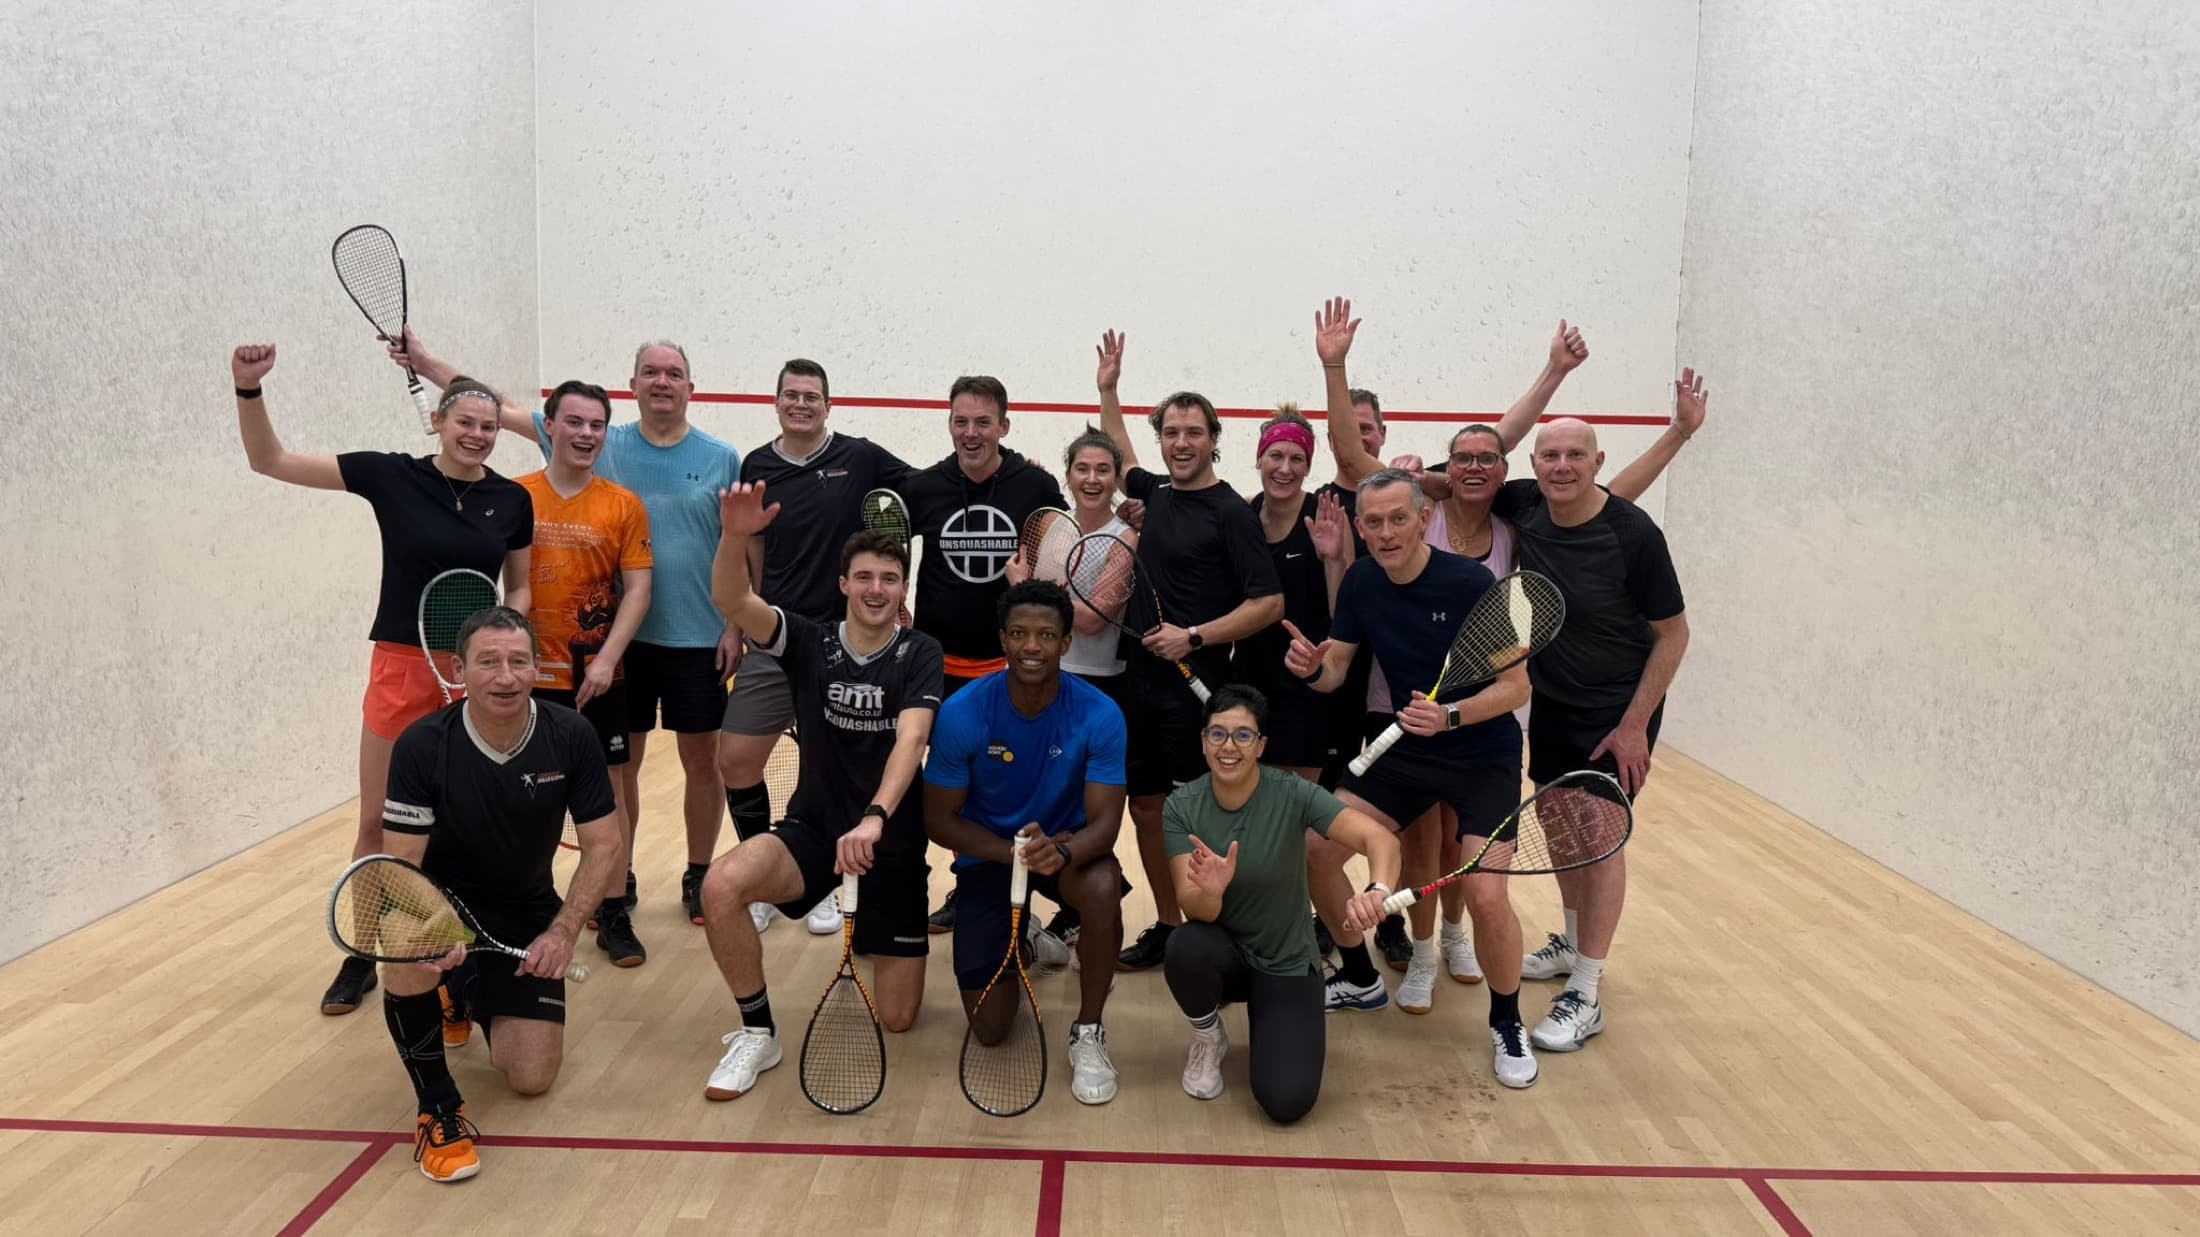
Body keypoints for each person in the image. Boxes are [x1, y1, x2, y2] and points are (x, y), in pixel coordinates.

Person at [392, 330, 740, 929]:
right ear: (632, 386)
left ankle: (700, 871)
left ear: (690, 385)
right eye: (650, 372)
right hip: (613, 648)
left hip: (695, 637)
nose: (662, 381)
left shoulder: (720, 455)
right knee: (619, 769)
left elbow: (738, 542)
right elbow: (489, 407)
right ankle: (617, 883)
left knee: (701, 761)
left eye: (673, 373)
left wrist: (736, 621)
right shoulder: (604, 440)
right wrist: (424, 362)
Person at [230, 343, 532, 1019]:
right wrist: (249, 390)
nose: (479, 432)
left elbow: (520, 585)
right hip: (399, 664)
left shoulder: (512, 500)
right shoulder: (391, 476)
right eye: (466, 421)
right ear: (440, 423)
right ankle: (362, 950)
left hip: (472, 671)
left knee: (462, 822)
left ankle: (456, 950)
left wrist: (512, 659)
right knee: (377, 818)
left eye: (488, 424)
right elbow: (269, 460)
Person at [1314, 300, 1588, 973]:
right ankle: (1425, 947)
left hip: (1479, 717)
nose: (1473, 466)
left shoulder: (1512, 522)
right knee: (1416, 836)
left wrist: (1554, 373)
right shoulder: (1414, 499)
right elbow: (1355, 455)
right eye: (1461, 457)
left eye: (1485, 459)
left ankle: (1469, 947)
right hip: (1401, 711)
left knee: (1469, 865)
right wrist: (1335, 364)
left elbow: (1511, 445)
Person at [1283, 470, 1539, 1089]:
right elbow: (1337, 670)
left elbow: (1516, 687)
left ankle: (1507, 1020)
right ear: (1360, 528)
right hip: (1406, 751)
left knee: (1484, 896)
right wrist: (1311, 669)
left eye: (1398, 518)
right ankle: (1360, 976)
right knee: (1315, 848)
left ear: (1424, 519)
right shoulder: (1365, 580)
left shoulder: (1473, 582)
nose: (1385, 532)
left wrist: (1450, 714)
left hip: (1483, 755)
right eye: (1373, 522)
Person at [697, 483, 942, 1099]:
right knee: (721, 885)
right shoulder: (807, 640)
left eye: (889, 577)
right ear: (844, 585)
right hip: (813, 830)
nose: (876, 588)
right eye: (864, 576)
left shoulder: (920, 652)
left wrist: (876, 818)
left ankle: (868, 925)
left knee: (899, 1017)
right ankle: (758, 1031)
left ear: (903, 589)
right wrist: (733, 536)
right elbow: (732, 595)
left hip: (890, 843)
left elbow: (911, 741)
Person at [376, 607, 620, 1182]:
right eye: (488, 662)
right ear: (460, 669)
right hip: (436, 905)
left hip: (525, 912)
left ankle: (461, 988)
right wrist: (442, 927)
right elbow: (397, 868)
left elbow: (604, 845)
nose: (504, 677)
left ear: (538, 667)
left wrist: (561, 932)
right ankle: (437, 1106)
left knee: (530, 1076)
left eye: (518, 661)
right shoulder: (422, 745)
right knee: (404, 943)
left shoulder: (571, 735)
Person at [1488, 396, 1695, 1054]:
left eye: (1577, 454)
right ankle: (1573, 940)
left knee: (1599, 836)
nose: (1562, 464)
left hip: (1618, 708)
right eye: (1550, 454)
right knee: (1558, 823)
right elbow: (1460, 470)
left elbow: (1674, 635)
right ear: (1534, 464)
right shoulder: (1524, 506)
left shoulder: (1635, 536)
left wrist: (1636, 726)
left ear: (1599, 462)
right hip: (1554, 699)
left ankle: (1587, 987)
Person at [1094, 330, 1285, 971]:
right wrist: (1108, 390)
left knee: (1199, 816)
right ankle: (1170, 926)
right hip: (1139, 685)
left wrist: (1194, 636)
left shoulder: (1231, 512)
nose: (1181, 443)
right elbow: (1122, 458)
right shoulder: (1154, 494)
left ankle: (1218, 928)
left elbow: (1268, 604)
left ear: (1212, 440)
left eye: (1193, 433)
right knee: (1147, 808)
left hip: (1195, 687)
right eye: (1171, 432)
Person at [723, 359, 916, 937]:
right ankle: (766, 871)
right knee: (734, 761)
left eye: (812, 396)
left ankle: (830, 880)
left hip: (846, 644)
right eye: (791, 395)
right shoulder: (757, 464)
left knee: (836, 773)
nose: (801, 403)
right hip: (776, 636)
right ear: (776, 401)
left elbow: (922, 491)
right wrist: (738, 622)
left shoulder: (859, 457)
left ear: (828, 405)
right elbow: (749, 549)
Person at [923, 581, 1130, 1104]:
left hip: (1067, 852)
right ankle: (1027, 938)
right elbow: (938, 820)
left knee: (1103, 887)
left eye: (1045, 635)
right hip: (992, 857)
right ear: (1002, 639)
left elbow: (1106, 826)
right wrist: (1010, 852)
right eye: (1018, 634)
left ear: (1065, 643)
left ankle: (1088, 1032)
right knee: (992, 1029)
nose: (1031, 646)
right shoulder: (964, 712)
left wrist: (1059, 851)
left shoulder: (1100, 714)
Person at [1162, 686, 1399, 1123]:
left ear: (1261, 745)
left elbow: (1378, 838)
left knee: (1286, 1101)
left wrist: (1379, 890)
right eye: (1217, 734)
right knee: (1183, 947)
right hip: (1222, 955)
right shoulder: (1181, 805)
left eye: (1243, 736)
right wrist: (1212, 889)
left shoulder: (1293, 793)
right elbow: (1194, 908)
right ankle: (1208, 1035)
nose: (1228, 747)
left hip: (1285, 962)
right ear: (1202, 740)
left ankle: (1275, 1019)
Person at [514, 380, 654, 966]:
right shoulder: (516, 496)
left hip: (598, 673)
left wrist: (606, 658)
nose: (586, 434)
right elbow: (512, 586)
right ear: (549, 426)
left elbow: (640, 589)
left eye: (597, 424)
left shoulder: (622, 504)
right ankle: (528, 903)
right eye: (574, 422)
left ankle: (613, 908)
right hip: (527, 677)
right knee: (525, 795)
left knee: (612, 791)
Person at [904, 375, 1068, 696]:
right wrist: (895, 602)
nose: (970, 433)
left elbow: (1064, 544)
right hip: (935, 663)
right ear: (950, 424)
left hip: (1011, 664)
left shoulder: (1036, 486)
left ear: (1003, 427)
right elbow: (886, 552)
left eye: (982, 422)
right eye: (960, 422)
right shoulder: (922, 488)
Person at [1231, 406, 1358, 784]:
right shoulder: (1246, 512)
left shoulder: (1325, 516)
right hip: (1250, 682)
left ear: (1307, 466)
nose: (1285, 468)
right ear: (1259, 458)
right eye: (1276, 455)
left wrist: (1334, 559)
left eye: (1297, 459)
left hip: (1307, 684)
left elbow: (1345, 612)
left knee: (1297, 815)